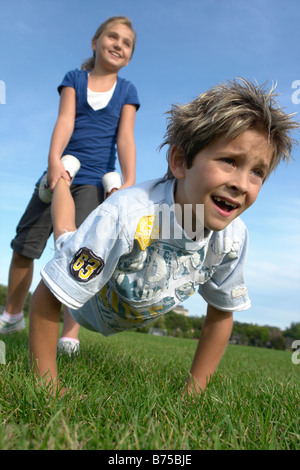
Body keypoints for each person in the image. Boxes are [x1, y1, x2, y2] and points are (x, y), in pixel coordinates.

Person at [29, 78, 298, 395]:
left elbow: (221, 313)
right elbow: (46, 297)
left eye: (257, 172)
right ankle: (62, 177)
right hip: (88, 305)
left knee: (113, 214)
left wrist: (192, 393)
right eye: (230, 161)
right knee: (66, 232)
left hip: (125, 239)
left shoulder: (233, 239)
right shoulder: (125, 216)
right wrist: (46, 386)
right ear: (180, 161)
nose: (242, 183)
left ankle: (113, 185)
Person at [0, 16, 140, 353]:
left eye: (127, 43)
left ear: (130, 55)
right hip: (61, 171)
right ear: (95, 42)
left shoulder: (127, 91)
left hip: (94, 183)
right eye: (113, 37)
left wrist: (130, 182)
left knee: (82, 257)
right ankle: (13, 314)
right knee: (26, 246)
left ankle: (70, 334)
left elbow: (125, 139)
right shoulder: (74, 79)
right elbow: (64, 121)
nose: (119, 45)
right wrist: (53, 163)